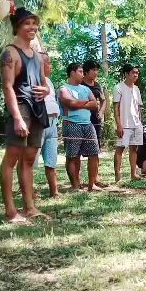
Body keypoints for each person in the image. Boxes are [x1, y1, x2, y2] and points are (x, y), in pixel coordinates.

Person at [0, 7, 50, 224]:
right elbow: (7, 87)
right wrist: (18, 117)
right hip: (21, 107)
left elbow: (43, 82)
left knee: (29, 160)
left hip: (38, 109)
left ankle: (29, 207)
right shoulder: (9, 53)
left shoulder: (37, 55)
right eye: (27, 23)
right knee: (12, 158)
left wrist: (46, 90)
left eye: (34, 23)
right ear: (17, 27)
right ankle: (11, 211)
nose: (32, 27)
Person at [58, 63, 100, 191]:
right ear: (72, 72)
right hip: (71, 124)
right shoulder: (63, 88)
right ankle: (75, 185)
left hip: (88, 124)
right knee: (73, 156)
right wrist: (86, 102)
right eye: (81, 71)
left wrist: (78, 104)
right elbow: (69, 103)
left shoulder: (86, 89)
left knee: (94, 153)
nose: (83, 74)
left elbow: (95, 104)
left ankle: (91, 184)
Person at [113, 64, 143, 182]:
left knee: (134, 149)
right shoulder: (118, 87)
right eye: (133, 72)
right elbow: (116, 107)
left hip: (136, 124)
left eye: (137, 73)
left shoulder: (137, 89)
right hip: (124, 124)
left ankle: (133, 174)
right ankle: (117, 175)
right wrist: (118, 124)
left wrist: (140, 122)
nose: (135, 75)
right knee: (120, 148)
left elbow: (139, 108)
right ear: (126, 74)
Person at [38, 52, 59, 197]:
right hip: (39, 124)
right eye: (49, 62)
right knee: (30, 161)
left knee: (51, 160)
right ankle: (29, 191)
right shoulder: (32, 79)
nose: (51, 66)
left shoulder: (49, 81)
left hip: (52, 123)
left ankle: (54, 191)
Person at [82, 60, 108, 150]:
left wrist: (101, 112)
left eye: (97, 70)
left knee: (95, 149)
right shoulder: (80, 84)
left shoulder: (97, 85)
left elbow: (103, 100)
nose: (96, 72)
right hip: (82, 119)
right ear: (86, 71)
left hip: (95, 119)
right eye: (93, 70)